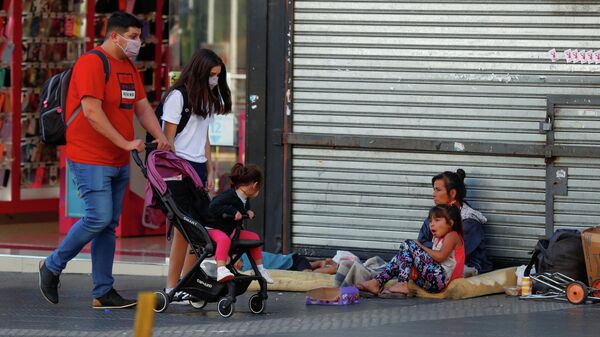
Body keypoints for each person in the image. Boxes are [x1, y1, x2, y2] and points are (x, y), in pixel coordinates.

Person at [38, 12, 170, 309]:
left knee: (108, 224)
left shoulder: (128, 67)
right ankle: (52, 266)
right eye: (133, 37)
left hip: (117, 160)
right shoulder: (92, 63)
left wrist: (160, 136)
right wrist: (125, 142)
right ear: (115, 36)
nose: (138, 43)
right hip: (89, 157)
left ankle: (102, 290)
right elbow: (92, 112)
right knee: (97, 218)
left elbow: (142, 107)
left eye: (139, 37)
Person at [160, 48, 232, 296]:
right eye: (211, 74)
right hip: (178, 168)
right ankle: (172, 286)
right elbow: (167, 141)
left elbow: (205, 139)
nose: (214, 80)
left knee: (197, 230)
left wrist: (210, 170)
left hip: (198, 167)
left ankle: (186, 283)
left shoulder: (207, 99)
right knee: (184, 228)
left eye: (217, 75)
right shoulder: (177, 97)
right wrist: (176, 172)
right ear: (200, 72)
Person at [357, 204, 465, 296]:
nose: (431, 224)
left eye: (437, 220)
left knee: (409, 243)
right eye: (431, 220)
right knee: (400, 257)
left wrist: (421, 247)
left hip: (440, 280)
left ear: (450, 223)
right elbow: (431, 262)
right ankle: (377, 282)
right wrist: (414, 267)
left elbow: (440, 256)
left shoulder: (452, 235)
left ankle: (402, 283)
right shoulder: (438, 238)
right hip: (431, 281)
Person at [418, 169, 492, 275]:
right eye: (434, 190)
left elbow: (456, 254)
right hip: (439, 261)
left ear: (452, 193)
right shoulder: (434, 217)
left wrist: (426, 249)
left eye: (438, 190)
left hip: (470, 266)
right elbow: (421, 241)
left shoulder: (470, 222)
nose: (433, 194)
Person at [207, 163, 273, 283]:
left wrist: (246, 211)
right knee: (224, 240)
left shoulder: (245, 199)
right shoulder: (229, 195)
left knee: (254, 238)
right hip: (213, 229)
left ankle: (260, 269)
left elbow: (241, 208)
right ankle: (221, 269)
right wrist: (232, 211)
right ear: (255, 185)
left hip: (231, 231)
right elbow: (213, 205)